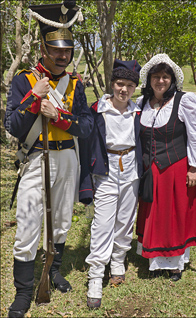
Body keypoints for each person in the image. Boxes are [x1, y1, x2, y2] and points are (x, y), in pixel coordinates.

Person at [4, 1, 93, 317]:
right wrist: (33, 98)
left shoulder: (76, 84)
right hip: (36, 158)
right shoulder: (25, 80)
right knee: (28, 226)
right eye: (56, 50)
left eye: (66, 50)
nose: (63, 56)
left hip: (68, 158)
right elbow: (12, 125)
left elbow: (86, 126)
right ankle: (24, 293)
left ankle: (52, 271)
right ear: (42, 48)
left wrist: (59, 117)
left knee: (62, 222)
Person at [136, 53, 196, 281]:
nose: (160, 81)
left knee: (174, 215)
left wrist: (194, 167)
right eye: (156, 76)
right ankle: (154, 258)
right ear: (149, 79)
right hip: (151, 170)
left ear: (172, 79)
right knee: (154, 214)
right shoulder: (142, 104)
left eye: (165, 77)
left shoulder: (184, 101)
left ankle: (175, 264)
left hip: (175, 168)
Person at [79, 59, 143, 308]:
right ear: (112, 84)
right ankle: (96, 274)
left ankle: (118, 260)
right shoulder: (98, 110)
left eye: (129, 85)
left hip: (131, 169)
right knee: (103, 221)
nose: (124, 90)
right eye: (119, 83)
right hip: (105, 171)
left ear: (135, 87)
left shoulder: (138, 111)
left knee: (126, 218)